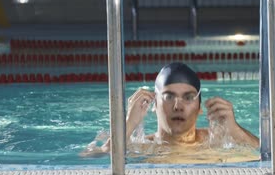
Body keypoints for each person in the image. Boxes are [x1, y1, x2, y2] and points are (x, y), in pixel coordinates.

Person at [92, 62, 259, 154]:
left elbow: (273, 154)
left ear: (200, 107)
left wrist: (235, 130)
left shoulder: (217, 142)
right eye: (169, 97)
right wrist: (128, 123)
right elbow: (97, 156)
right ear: (154, 104)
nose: (178, 106)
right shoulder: (141, 148)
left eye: (188, 97)